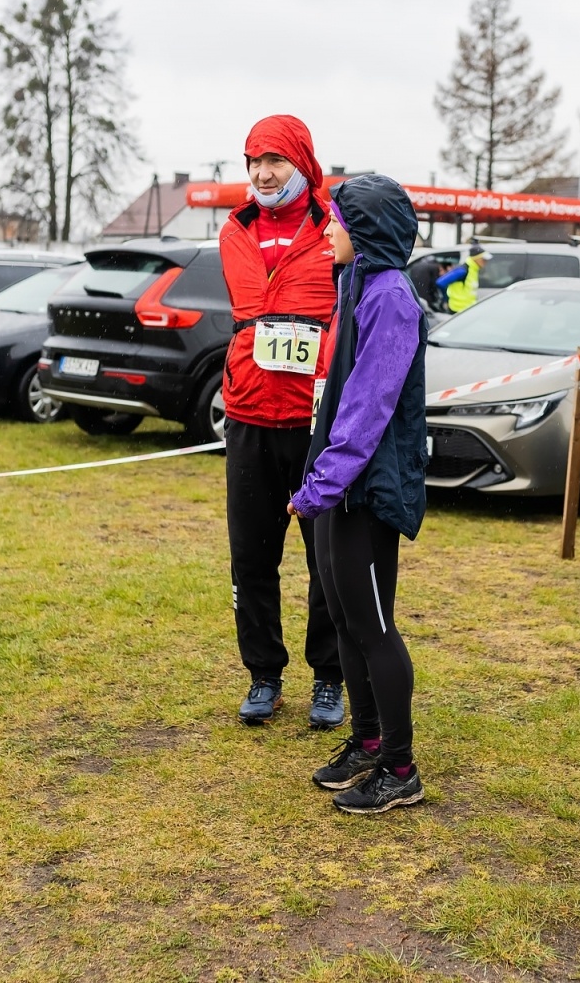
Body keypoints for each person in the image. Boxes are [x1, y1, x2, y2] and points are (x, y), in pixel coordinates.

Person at [289, 174, 429, 814]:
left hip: (366, 492)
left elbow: (368, 410)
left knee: (373, 626)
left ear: (366, 230)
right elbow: (336, 397)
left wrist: (322, 485)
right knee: (344, 619)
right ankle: (368, 739)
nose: (327, 231)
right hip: (335, 487)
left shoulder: (392, 298)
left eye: (337, 221)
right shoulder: (356, 283)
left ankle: (400, 769)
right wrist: (317, 483)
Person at [218, 115, 345, 728]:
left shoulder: (335, 229)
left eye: (276, 161)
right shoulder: (233, 231)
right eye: (253, 162)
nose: (264, 173)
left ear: (302, 163)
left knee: (326, 557)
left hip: (313, 420)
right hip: (248, 413)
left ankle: (330, 677)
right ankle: (263, 674)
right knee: (251, 554)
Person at [435, 244, 486, 312]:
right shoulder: (463, 270)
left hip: (467, 309)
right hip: (457, 310)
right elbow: (440, 282)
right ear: (476, 258)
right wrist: (446, 299)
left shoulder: (474, 269)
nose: (485, 261)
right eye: (483, 259)